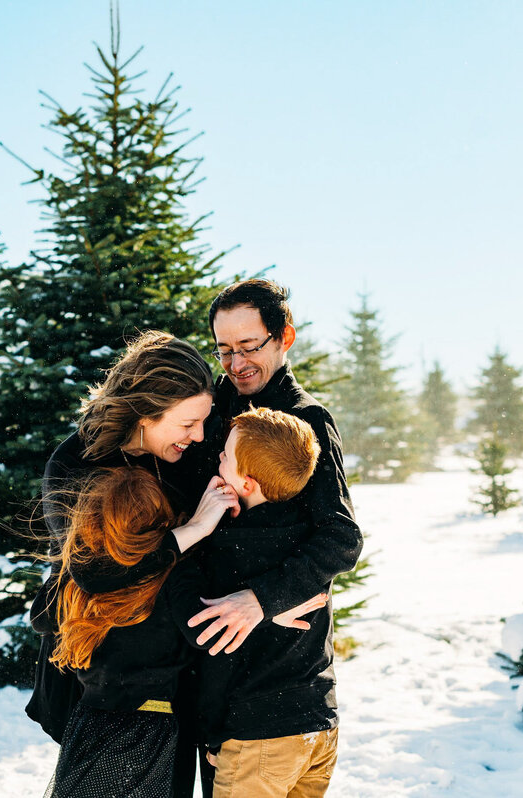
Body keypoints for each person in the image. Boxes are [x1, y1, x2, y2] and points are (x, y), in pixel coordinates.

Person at [26, 329, 239, 796]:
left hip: (180, 680)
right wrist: (190, 532)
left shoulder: (185, 453)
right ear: (145, 412)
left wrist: (271, 594)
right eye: (186, 424)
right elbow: (99, 572)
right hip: (107, 686)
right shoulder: (77, 463)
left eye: (201, 422)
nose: (199, 436)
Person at [185, 278, 364, 797]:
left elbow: (339, 537)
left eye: (249, 347)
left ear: (284, 337)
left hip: (273, 693)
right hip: (225, 687)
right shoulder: (207, 412)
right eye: (223, 350)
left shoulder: (303, 421)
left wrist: (263, 600)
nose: (236, 363)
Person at [32, 466, 235, 798]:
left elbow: (41, 618)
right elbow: (206, 637)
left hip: (90, 721)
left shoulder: (80, 583)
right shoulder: (173, 577)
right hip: (149, 726)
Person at [191, 406, 343, 797]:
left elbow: (218, 653)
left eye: (225, 455)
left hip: (259, 737)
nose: (218, 458)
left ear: (247, 482)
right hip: (318, 723)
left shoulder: (228, 552)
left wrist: (211, 734)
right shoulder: (309, 541)